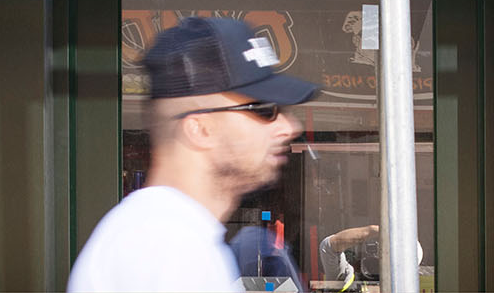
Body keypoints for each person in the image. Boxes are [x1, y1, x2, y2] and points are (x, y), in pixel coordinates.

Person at [67, 15, 317, 293]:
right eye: (264, 109)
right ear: (200, 128)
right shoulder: (165, 247)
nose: (289, 127)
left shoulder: (171, 236)